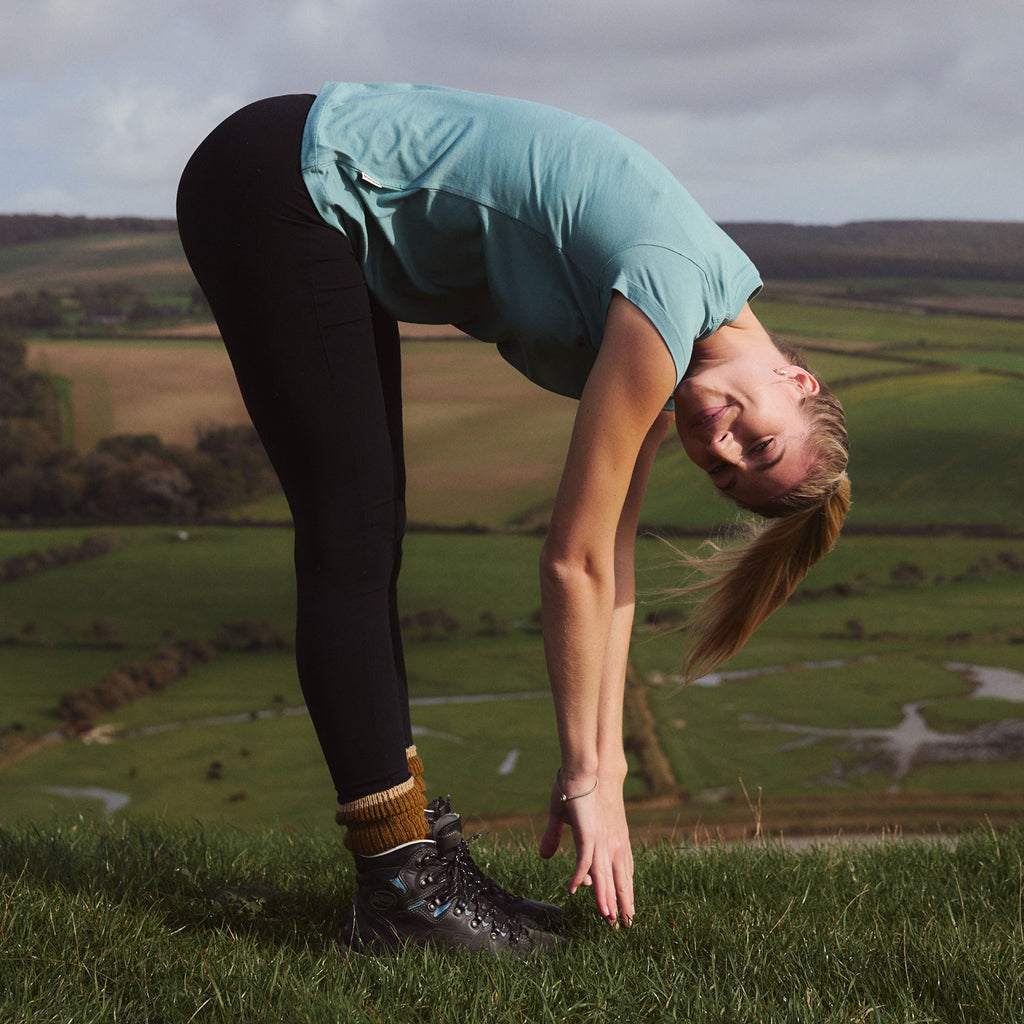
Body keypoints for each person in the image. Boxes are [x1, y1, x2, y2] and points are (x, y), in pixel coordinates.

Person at [176, 83, 850, 954]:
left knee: (366, 532)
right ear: (801, 382)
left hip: (298, 186)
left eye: (726, 475)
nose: (719, 445)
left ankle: (414, 868)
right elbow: (572, 562)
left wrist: (606, 770)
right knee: (351, 534)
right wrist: (585, 775)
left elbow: (613, 556)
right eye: (757, 445)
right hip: (281, 180)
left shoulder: (688, 340)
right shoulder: (671, 298)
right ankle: (405, 890)